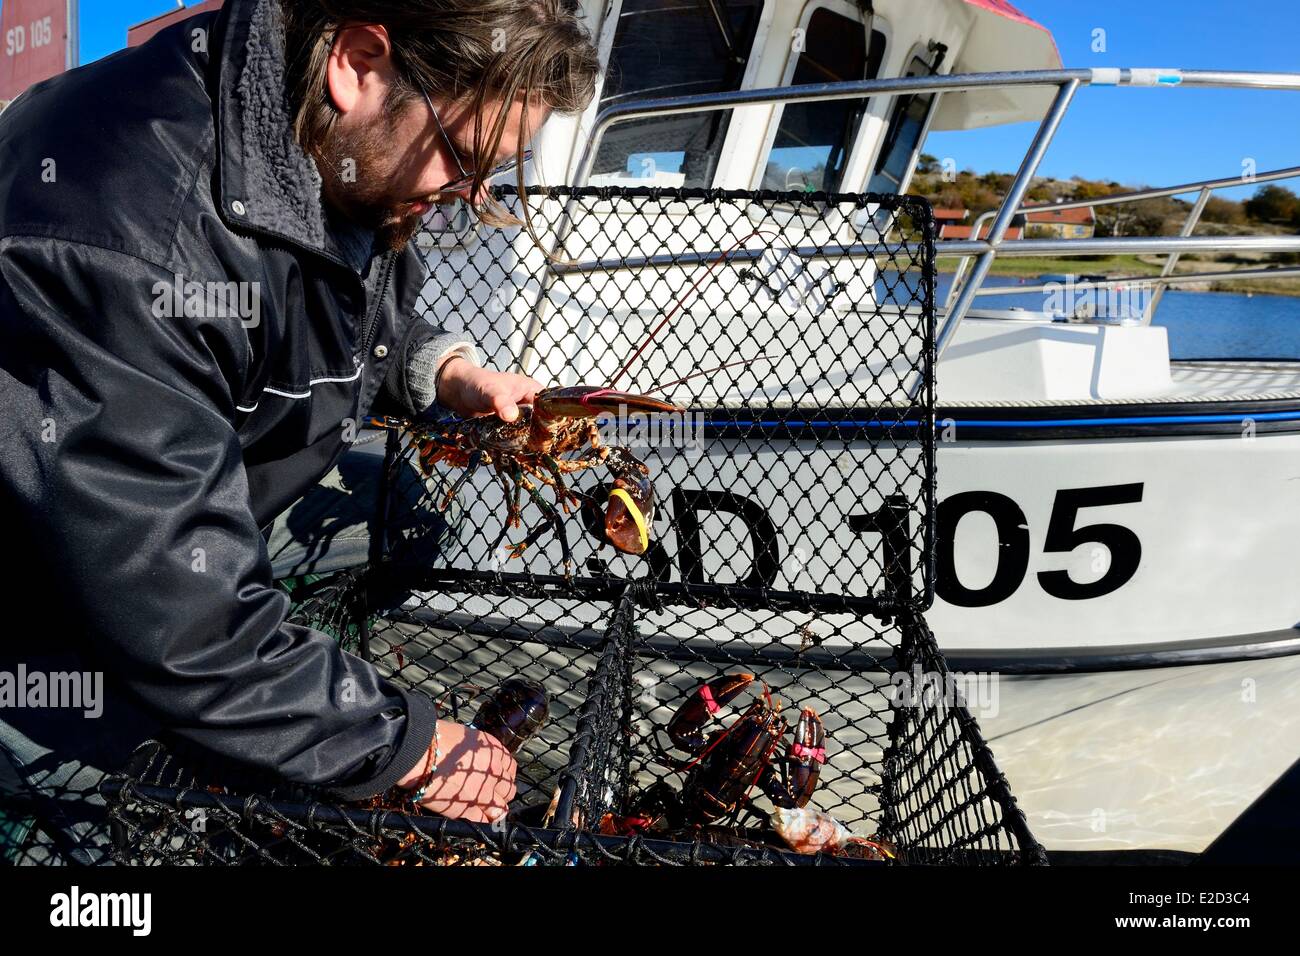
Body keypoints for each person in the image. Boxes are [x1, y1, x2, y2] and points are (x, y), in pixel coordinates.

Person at [0, 0, 600, 863]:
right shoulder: (127, 235)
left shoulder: (332, 147)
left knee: (395, 503)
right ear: (359, 61)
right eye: (467, 161)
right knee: (93, 848)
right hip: (45, 595)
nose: (467, 196)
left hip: (180, 505)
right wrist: (408, 744)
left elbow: (330, 308)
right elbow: (181, 616)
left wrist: (444, 371)